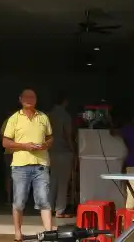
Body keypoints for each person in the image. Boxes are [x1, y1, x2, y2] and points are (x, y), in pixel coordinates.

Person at [2, 89, 53, 241]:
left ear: (36, 99)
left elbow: (50, 137)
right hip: (20, 166)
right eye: (26, 97)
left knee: (44, 199)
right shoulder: (14, 118)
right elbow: (5, 142)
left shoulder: (43, 117)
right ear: (20, 99)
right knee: (19, 201)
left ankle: (49, 233)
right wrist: (25, 146)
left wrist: (46, 145)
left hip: (41, 165)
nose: (29, 99)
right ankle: (18, 232)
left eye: (32, 97)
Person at [48, 90, 75, 218]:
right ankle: (60, 209)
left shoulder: (48, 115)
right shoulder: (65, 116)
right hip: (64, 151)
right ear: (65, 101)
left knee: (52, 179)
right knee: (63, 181)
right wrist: (73, 149)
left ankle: (48, 207)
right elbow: (67, 135)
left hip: (51, 151)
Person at [0, 117, 14, 203]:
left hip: (10, 152)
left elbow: (1, 137)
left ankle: (9, 198)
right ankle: (14, 198)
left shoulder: (7, 121)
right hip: (20, 152)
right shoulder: (25, 120)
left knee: (9, 175)